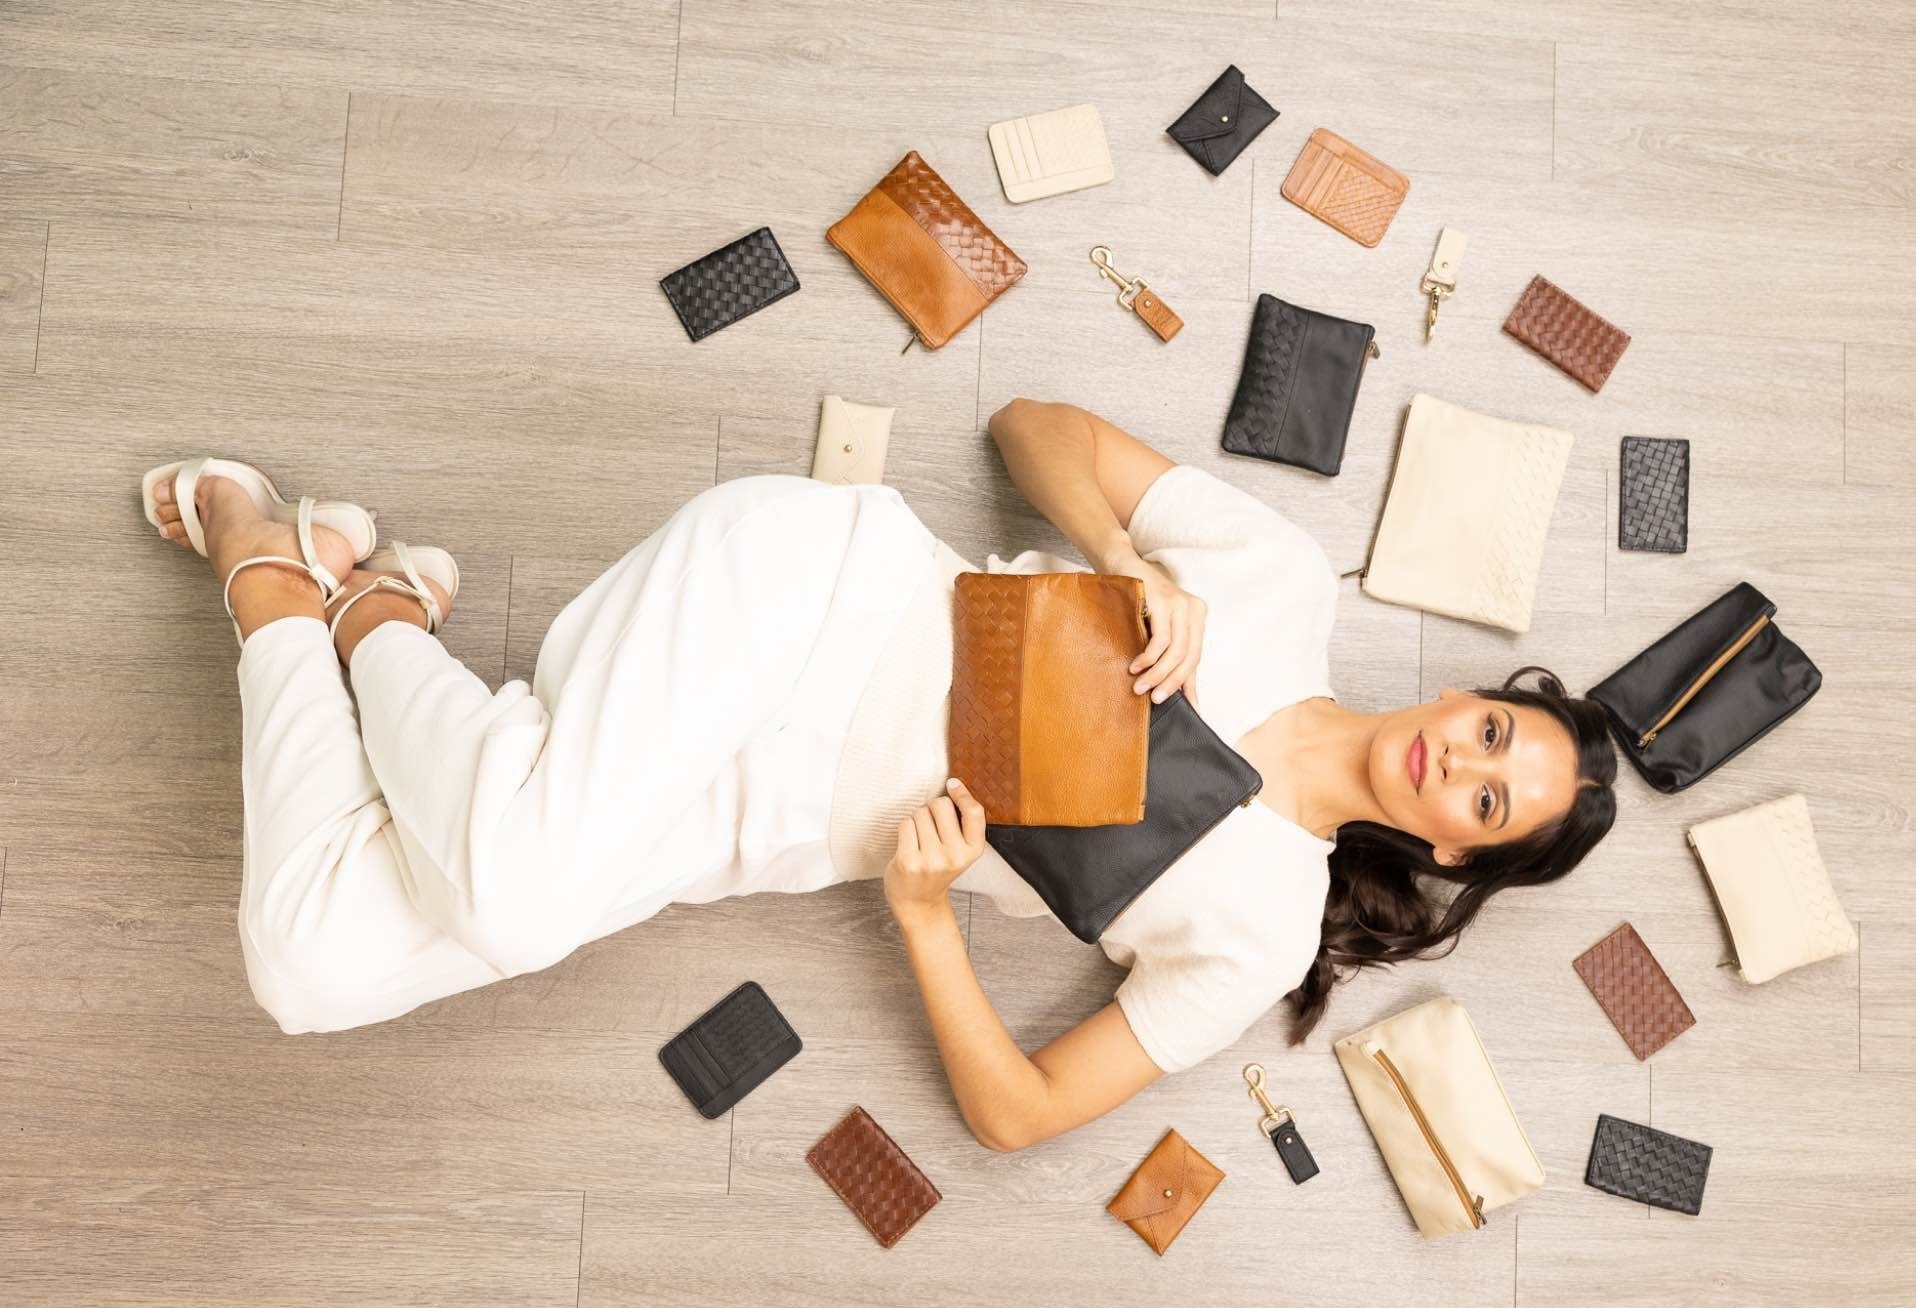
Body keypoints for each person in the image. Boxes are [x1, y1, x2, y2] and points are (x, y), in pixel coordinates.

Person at [142, 398, 1617, 1154]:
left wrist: (922, 915)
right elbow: (1029, 428)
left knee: (312, 965)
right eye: (1494, 731)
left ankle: (336, 583)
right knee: (514, 897)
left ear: (1457, 856)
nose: (1464, 763)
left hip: (767, 821)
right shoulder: (1282, 585)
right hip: (810, 595)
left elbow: (1022, 1112)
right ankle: (332, 598)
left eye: (1491, 803)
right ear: (1464, 695)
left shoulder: (1267, 929)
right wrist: (1127, 561)